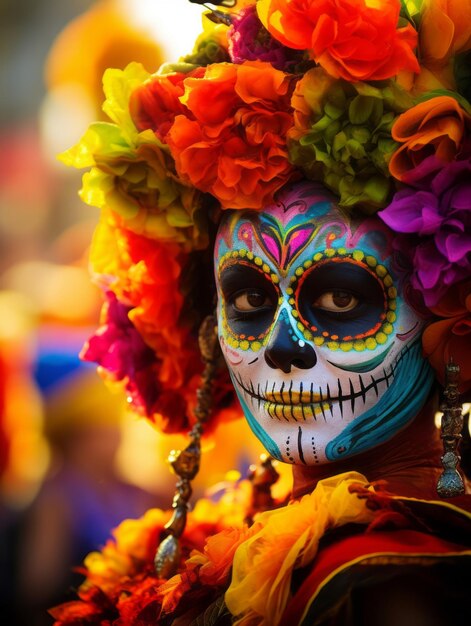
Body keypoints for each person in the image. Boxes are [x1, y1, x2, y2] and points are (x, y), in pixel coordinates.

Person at [51, 1, 471, 624]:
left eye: (342, 299)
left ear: (445, 314)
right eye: (248, 299)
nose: (283, 347)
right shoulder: (237, 535)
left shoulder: (393, 581)